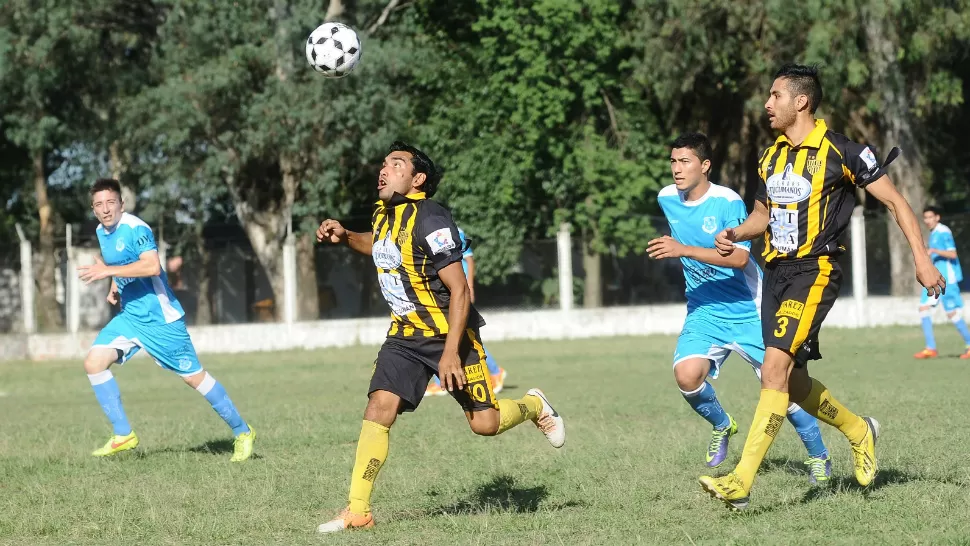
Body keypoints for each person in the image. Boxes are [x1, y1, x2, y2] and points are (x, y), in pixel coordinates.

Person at [700, 64, 945, 510]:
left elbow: (896, 202)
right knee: (792, 383)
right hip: (774, 275)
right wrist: (737, 233)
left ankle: (740, 480)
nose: (767, 104)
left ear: (801, 102)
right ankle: (858, 430)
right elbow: (762, 216)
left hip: (816, 272)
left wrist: (922, 258)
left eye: (775, 95)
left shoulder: (844, 152)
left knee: (772, 369)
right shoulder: (769, 156)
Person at [314, 141, 565, 533]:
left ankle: (534, 406)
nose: (383, 170)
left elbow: (460, 289)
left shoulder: (432, 218)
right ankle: (358, 510)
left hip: (451, 336)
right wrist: (346, 236)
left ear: (417, 179)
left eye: (395, 164)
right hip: (404, 337)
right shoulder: (385, 213)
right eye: (383, 163)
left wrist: (450, 354)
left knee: (485, 424)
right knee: (379, 406)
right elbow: (380, 245)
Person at [648, 132, 830, 483]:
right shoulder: (666, 198)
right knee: (686, 376)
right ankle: (722, 424)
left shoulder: (726, 201)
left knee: (784, 389)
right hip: (703, 308)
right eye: (672, 161)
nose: (676, 169)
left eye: (684, 161)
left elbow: (742, 256)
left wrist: (682, 250)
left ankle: (818, 455)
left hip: (748, 307)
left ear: (705, 166)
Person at [77, 178, 256, 461]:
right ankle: (123, 434)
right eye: (99, 204)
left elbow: (151, 266)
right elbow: (122, 263)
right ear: (93, 208)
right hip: (131, 317)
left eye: (111, 202)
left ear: (121, 204)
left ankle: (242, 431)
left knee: (195, 378)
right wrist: (114, 284)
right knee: (94, 363)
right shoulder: (102, 230)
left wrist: (107, 271)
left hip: (161, 320)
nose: (105, 209)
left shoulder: (137, 229)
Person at [425, 225, 508, 396]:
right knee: (443, 334)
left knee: (465, 336)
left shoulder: (453, 231)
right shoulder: (427, 230)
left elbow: (469, 259)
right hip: (444, 291)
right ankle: (441, 381)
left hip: (457, 291)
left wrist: (468, 287)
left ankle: (494, 371)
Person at [913, 206, 970, 359]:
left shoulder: (943, 231)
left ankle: (969, 344)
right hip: (935, 279)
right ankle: (930, 348)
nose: (927, 220)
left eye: (930, 217)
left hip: (948, 279)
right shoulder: (934, 234)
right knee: (923, 308)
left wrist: (934, 251)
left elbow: (952, 254)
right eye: (925, 218)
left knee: (952, 313)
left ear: (937, 217)